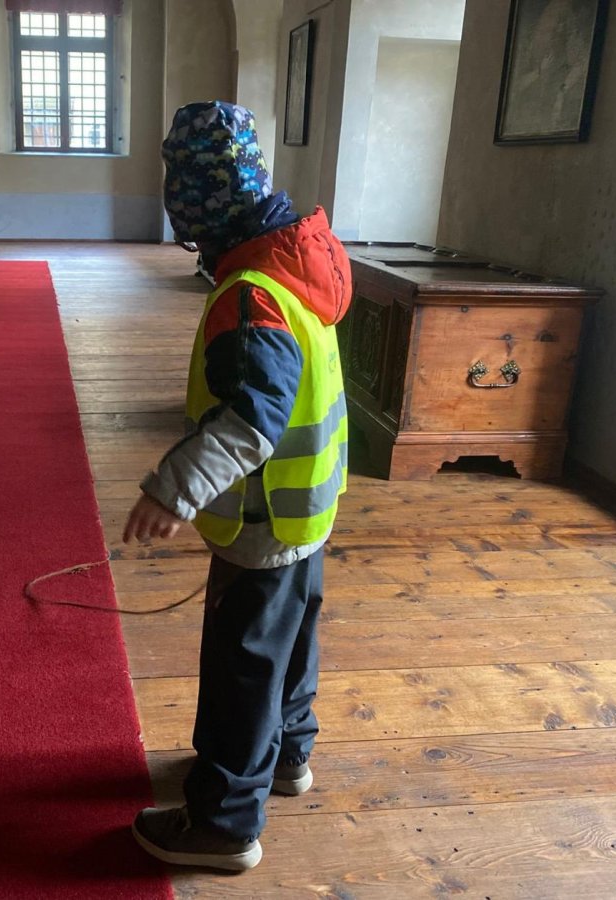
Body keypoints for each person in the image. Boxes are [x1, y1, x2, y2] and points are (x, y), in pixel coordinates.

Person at [123, 101, 351, 872]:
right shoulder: (298, 263)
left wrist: (173, 489)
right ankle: (286, 755)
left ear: (196, 202)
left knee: (240, 671)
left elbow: (252, 419)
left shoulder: (250, 296)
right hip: (306, 512)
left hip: (261, 520)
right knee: (289, 647)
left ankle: (223, 821)